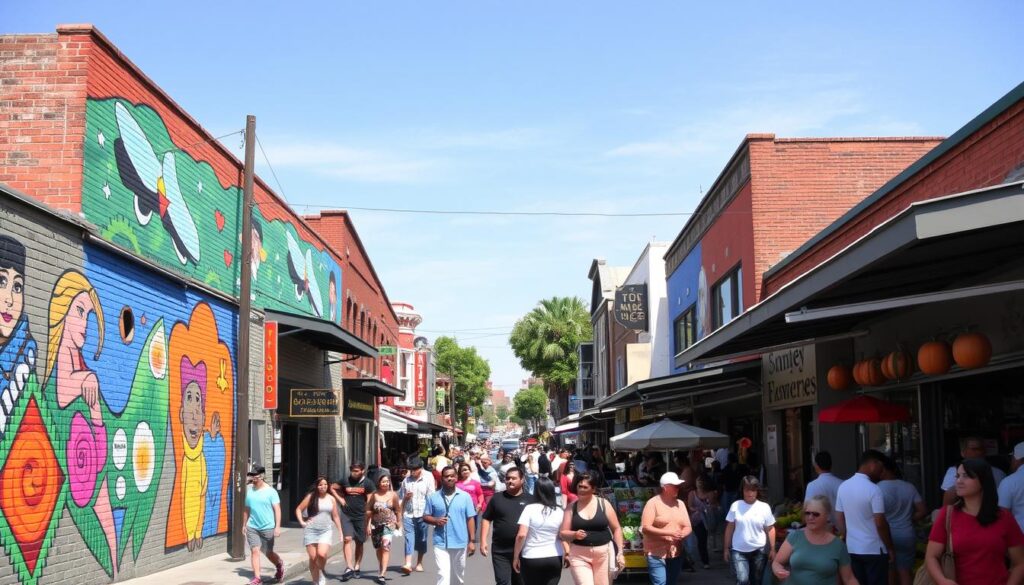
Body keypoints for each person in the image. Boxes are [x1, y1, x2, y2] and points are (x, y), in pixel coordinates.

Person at [926, 458, 1024, 585]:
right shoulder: (947, 514)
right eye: (957, 476)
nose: (959, 481)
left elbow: (1020, 562)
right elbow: (931, 557)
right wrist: (942, 581)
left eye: (966, 476)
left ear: (983, 480)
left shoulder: (1003, 517)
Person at [835, 450, 895, 585]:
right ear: (873, 464)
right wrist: (890, 547)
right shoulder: (874, 490)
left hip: (853, 548)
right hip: (874, 549)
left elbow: (839, 517)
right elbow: (880, 523)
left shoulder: (843, 487)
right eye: (881, 466)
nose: (882, 471)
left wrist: (847, 536)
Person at [771, 495, 857, 585]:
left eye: (816, 514)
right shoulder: (795, 537)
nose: (810, 517)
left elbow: (849, 579)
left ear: (827, 516)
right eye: (807, 513)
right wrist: (778, 569)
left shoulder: (838, 545)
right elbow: (777, 562)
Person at [560, 471, 625, 585]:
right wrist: (574, 535)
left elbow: (617, 529)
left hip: (603, 554)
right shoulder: (571, 507)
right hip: (579, 555)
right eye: (579, 486)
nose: (581, 490)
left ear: (593, 489)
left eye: (585, 487)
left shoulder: (604, 504)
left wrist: (620, 553)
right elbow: (563, 533)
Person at [481, 467, 535, 585]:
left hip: (524, 551)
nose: (510, 481)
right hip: (500, 551)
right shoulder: (497, 498)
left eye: (514, 478)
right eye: (507, 478)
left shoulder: (531, 500)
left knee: (521, 582)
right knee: (503, 582)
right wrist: (483, 541)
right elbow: (486, 519)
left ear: (522, 480)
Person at [424, 466, 477, 585]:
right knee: (443, 574)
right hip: (440, 542)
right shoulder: (433, 497)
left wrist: (472, 541)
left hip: (460, 541)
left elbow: (470, 518)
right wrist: (435, 520)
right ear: (441, 479)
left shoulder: (465, 497)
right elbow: (425, 516)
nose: (449, 478)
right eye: (446, 476)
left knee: (458, 576)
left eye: (452, 476)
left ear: (456, 477)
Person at [878, 457, 926, 585]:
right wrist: (908, 518)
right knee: (905, 571)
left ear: (881, 470)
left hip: (886, 535)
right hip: (906, 533)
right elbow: (922, 510)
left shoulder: (876, 489)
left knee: (889, 570)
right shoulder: (909, 487)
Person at [642, 472, 692, 585]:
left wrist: (682, 534)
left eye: (678, 486)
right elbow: (645, 528)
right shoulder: (652, 503)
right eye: (675, 486)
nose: (678, 488)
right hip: (655, 553)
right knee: (660, 583)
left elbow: (688, 526)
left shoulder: (680, 504)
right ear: (665, 487)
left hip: (676, 553)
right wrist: (669, 533)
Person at [724, 476, 776, 585]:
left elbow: (770, 528)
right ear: (742, 490)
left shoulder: (764, 507)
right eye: (747, 489)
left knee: (756, 581)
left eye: (753, 490)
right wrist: (726, 549)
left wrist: (772, 549)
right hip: (738, 551)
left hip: (759, 551)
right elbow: (730, 528)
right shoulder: (735, 506)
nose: (750, 493)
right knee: (743, 580)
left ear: (757, 491)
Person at [513, 477, 565, 585]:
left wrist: (516, 557)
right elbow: (562, 534)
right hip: (554, 556)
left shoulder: (529, 509)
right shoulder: (559, 511)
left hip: (532, 556)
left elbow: (521, 535)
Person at [332, 461, 376, 581]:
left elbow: (371, 503)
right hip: (346, 514)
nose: (354, 473)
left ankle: (357, 566)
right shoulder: (345, 481)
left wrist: (369, 522)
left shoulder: (368, 483)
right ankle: (349, 567)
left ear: (363, 471)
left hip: (361, 516)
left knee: (359, 542)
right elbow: (332, 487)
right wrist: (340, 500)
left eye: (356, 471)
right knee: (347, 539)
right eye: (352, 470)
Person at [297, 476, 343, 585]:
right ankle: (315, 581)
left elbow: (335, 516)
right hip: (311, 530)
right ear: (317, 486)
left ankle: (321, 571)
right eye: (320, 485)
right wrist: (302, 522)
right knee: (313, 558)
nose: (323, 487)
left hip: (325, 530)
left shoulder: (331, 499)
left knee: (321, 554)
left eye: (325, 484)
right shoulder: (311, 497)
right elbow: (299, 509)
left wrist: (340, 531)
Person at [242, 466, 284, 585]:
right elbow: (246, 509)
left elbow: (277, 510)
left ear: (261, 476)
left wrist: (277, 527)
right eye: (251, 475)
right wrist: (244, 524)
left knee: (268, 552)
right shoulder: (250, 491)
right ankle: (257, 578)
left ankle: (279, 564)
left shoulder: (271, 492)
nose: (253, 478)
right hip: (252, 526)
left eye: (255, 475)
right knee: (255, 551)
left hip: (268, 527)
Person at [941, 436, 1006, 506]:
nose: (978, 452)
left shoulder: (999, 473)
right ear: (963, 453)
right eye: (973, 449)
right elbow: (949, 497)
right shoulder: (954, 471)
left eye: (980, 449)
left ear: (985, 451)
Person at [399, 457, 435, 575]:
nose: (412, 472)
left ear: (420, 468)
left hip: (423, 514)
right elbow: (400, 497)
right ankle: (408, 564)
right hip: (408, 513)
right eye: (411, 469)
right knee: (409, 537)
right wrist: (405, 498)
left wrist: (431, 514)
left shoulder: (428, 477)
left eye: (415, 469)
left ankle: (419, 562)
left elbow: (431, 497)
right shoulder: (406, 480)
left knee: (421, 539)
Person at [365, 473, 402, 585]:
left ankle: (382, 574)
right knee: (379, 548)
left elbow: (398, 510)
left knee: (385, 547)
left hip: (389, 524)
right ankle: (381, 566)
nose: (385, 483)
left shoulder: (393, 495)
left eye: (387, 481)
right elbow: (368, 511)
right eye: (383, 481)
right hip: (376, 525)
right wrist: (368, 525)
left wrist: (398, 522)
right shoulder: (374, 495)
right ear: (379, 483)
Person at [804, 451, 844, 525]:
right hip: (840, 527)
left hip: (820, 528)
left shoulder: (812, 485)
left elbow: (807, 510)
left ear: (816, 465)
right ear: (831, 465)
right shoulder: (842, 484)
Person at [688, 475, 715, 570]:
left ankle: (705, 560)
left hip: (706, 519)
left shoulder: (710, 493)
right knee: (699, 540)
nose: (699, 484)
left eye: (701, 482)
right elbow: (690, 506)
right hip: (696, 520)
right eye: (698, 482)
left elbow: (712, 505)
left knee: (704, 540)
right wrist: (696, 509)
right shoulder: (692, 493)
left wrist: (708, 507)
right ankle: (703, 560)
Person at [999, 441, 1024, 532]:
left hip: (1020, 536)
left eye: (1012, 458)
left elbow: (1002, 513)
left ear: (1017, 458)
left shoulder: (1010, 482)